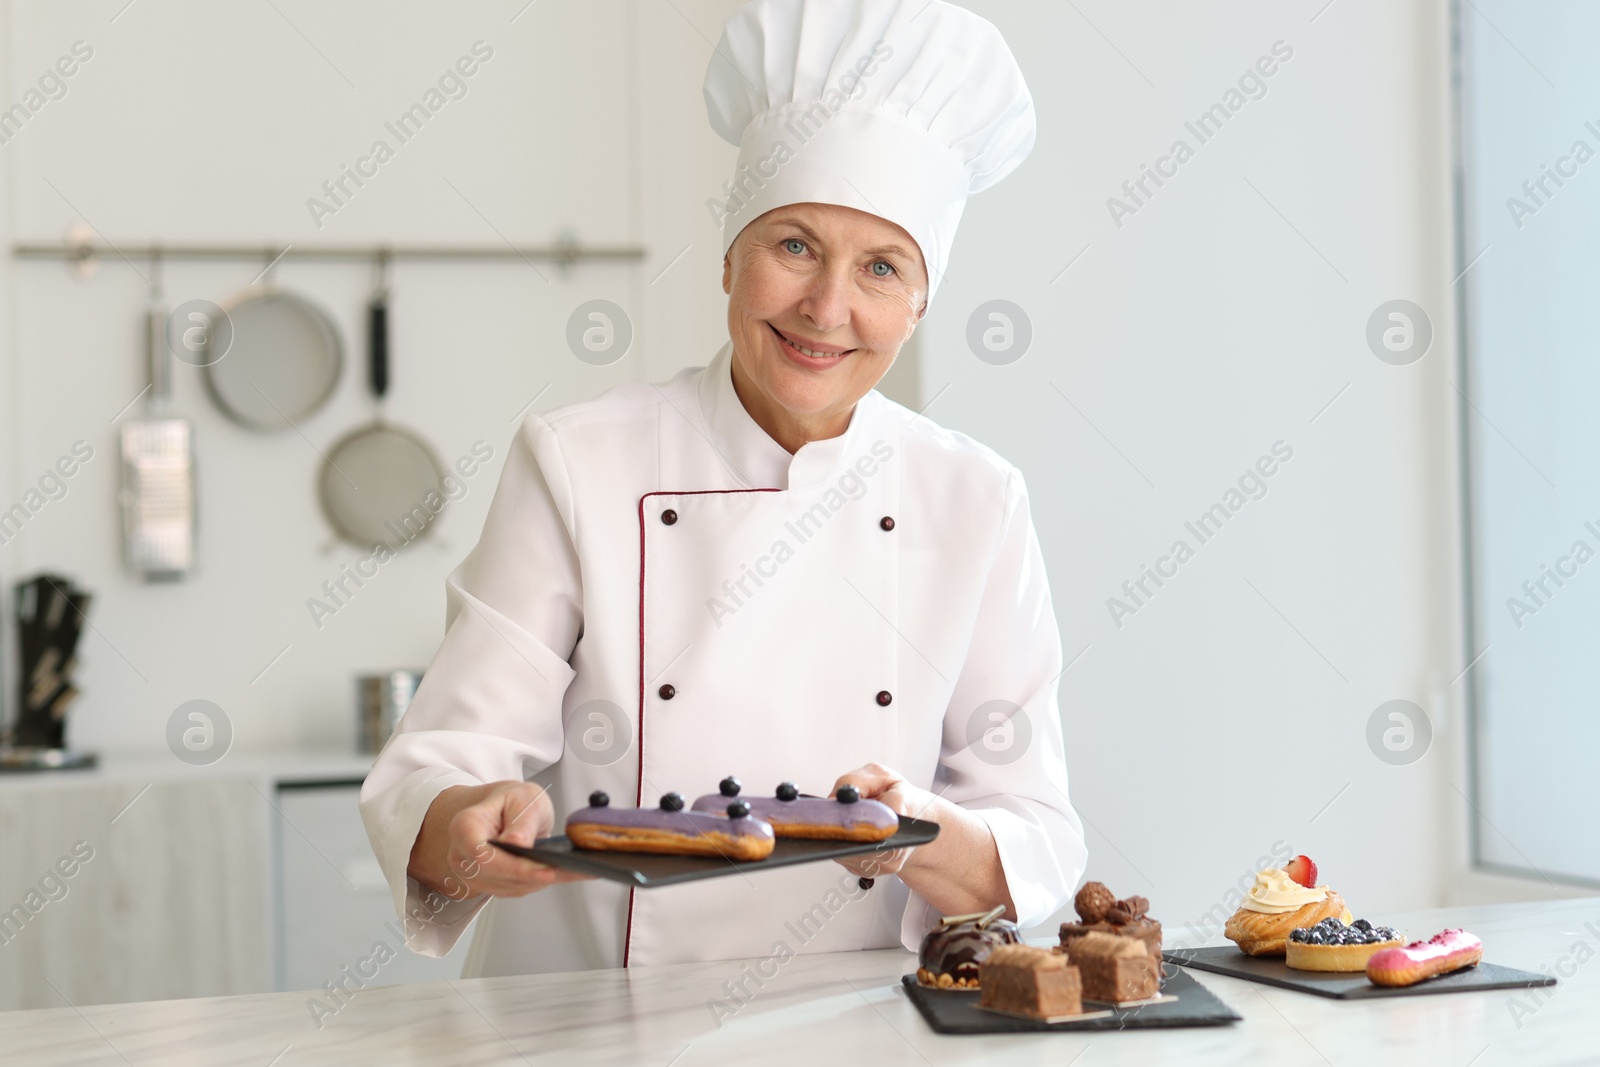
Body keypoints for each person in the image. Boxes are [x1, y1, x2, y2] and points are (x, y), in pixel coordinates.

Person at [361, 0, 1087, 976]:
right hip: (591, 1020)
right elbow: (443, 757)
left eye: (879, 267)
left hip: (857, 1024)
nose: (826, 308)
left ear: (917, 306)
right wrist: (464, 819)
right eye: (793, 246)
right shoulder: (580, 460)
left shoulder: (975, 498)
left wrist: (923, 831)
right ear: (728, 259)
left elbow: (1034, 827)